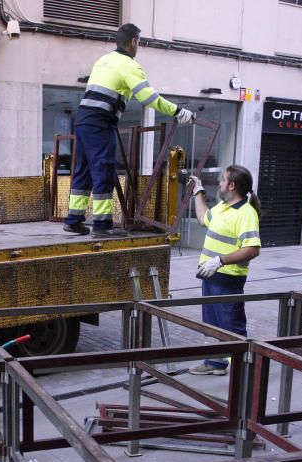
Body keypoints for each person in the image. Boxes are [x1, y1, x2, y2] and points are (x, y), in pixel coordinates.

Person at [63, 23, 195, 239]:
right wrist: (178, 112)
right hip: (100, 123)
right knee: (104, 169)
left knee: (84, 170)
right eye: (138, 43)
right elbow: (148, 98)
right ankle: (102, 225)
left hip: (83, 120)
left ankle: (74, 221)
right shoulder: (129, 65)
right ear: (133, 41)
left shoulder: (103, 60)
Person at [186, 165, 262, 376]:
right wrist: (198, 192)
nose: (219, 183)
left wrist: (221, 261)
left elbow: (253, 249)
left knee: (231, 326)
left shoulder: (246, 213)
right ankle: (215, 363)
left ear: (232, 185)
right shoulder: (223, 206)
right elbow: (203, 219)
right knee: (211, 323)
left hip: (227, 279)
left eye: (222, 180)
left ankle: (243, 372)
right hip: (209, 275)